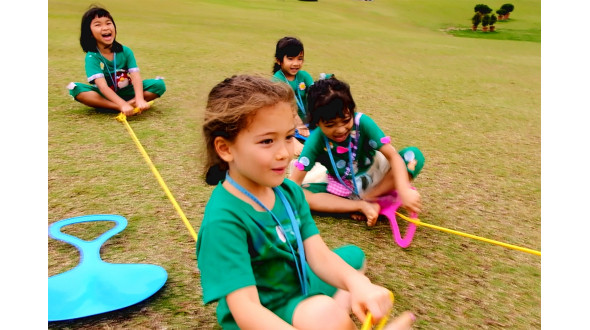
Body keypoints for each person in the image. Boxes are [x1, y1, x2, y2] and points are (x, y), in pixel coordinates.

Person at [197, 75, 415, 330]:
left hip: (298, 284)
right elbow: (246, 310)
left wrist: (359, 285)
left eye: (289, 137)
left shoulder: (289, 192)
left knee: (354, 260)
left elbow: (319, 255)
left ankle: (329, 310)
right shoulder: (224, 219)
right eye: (267, 141)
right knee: (325, 313)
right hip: (264, 313)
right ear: (225, 149)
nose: (285, 153)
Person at [289, 77, 424, 227]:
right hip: (342, 188)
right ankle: (359, 206)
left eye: (346, 120)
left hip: (378, 179)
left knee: (413, 156)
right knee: (299, 194)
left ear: (352, 111)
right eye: (330, 124)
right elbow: (293, 184)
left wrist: (403, 189)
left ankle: (369, 197)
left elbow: (393, 156)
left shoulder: (363, 123)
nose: (340, 130)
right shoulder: (316, 140)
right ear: (316, 122)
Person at [66, 5, 166, 116]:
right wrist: (122, 104)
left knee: (158, 85)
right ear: (90, 32)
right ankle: (119, 106)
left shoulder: (125, 51)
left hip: (127, 91)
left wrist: (139, 98)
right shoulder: (92, 57)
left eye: (108, 23)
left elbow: (136, 76)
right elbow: (102, 86)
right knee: (77, 89)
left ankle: (131, 103)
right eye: (98, 25)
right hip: (104, 94)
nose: (105, 28)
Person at [271, 37, 315, 155]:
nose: (296, 63)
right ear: (279, 60)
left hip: (306, 121)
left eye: (299, 59)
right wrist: (300, 126)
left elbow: (315, 95)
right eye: (290, 59)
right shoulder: (277, 80)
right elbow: (287, 106)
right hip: (287, 120)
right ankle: (291, 139)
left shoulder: (304, 76)